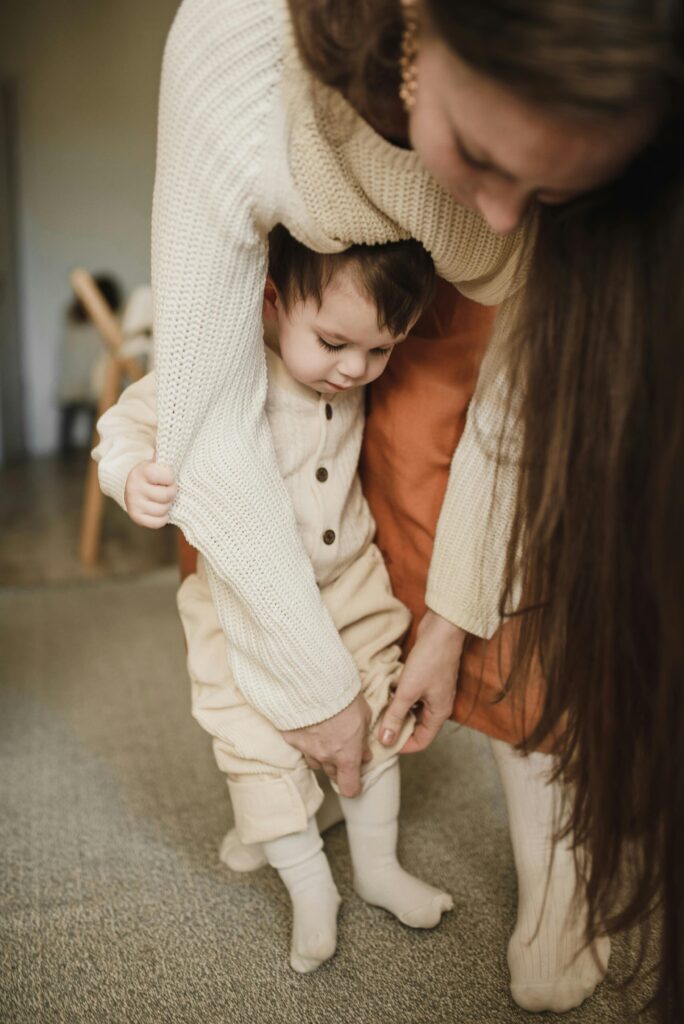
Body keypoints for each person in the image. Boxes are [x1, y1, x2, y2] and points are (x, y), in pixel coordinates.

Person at [152, 0, 683, 1016]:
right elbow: (205, 427)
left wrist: (447, 623)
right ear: (416, 27)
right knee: (256, 520)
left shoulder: (528, 218)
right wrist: (317, 687)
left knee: (456, 519)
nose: (501, 211)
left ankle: (557, 827)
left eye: (553, 186)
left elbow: (513, 421)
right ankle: (281, 780)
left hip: (461, 311)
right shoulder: (234, 47)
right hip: (306, 286)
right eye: (484, 152)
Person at [94, 228, 454, 974]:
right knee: (250, 739)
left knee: (378, 707)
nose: (355, 370)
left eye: (380, 352)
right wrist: (130, 476)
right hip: (235, 598)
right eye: (332, 343)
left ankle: (378, 867)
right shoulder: (221, 368)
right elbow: (124, 423)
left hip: (350, 577)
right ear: (271, 303)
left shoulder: (345, 362)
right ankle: (309, 887)